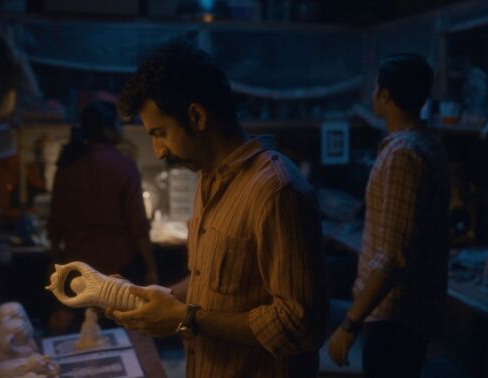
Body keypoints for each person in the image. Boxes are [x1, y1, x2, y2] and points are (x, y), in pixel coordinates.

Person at [107, 41, 329, 377]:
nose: (159, 151)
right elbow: (212, 284)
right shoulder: (211, 179)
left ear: (196, 116)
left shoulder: (276, 190)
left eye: (160, 133)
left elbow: (300, 326)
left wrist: (186, 318)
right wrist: (155, 299)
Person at [327, 54, 450, 378]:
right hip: (404, 317)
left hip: (393, 318)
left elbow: (392, 258)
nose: (371, 96)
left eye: (374, 88)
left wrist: (349, 322)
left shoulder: (402, 154)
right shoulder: (427, 144)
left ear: (384, 95)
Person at [48, 100, 158, 285]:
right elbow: (138, 225)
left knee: (83, 314)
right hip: (118, 267)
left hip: (76, 269)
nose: (121, 129)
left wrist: (57, 264)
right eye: (118, 124)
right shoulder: (123, 165)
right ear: (108, 130)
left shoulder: (67, 165)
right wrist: (151, 269)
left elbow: (55, 224)